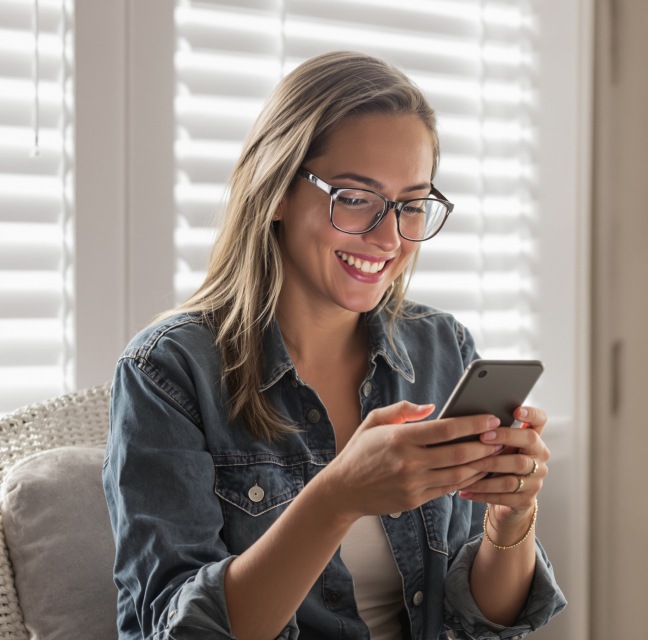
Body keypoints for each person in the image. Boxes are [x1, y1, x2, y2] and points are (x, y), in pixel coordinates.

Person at [103, 51, 566, 640]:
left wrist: (511, 519)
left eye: (412, 205)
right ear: (275, 192)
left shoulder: (439, 348)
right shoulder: (168, 372)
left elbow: (476, 623)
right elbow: (172, 630)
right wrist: (336, 498)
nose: (388, 237)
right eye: (355, 197)